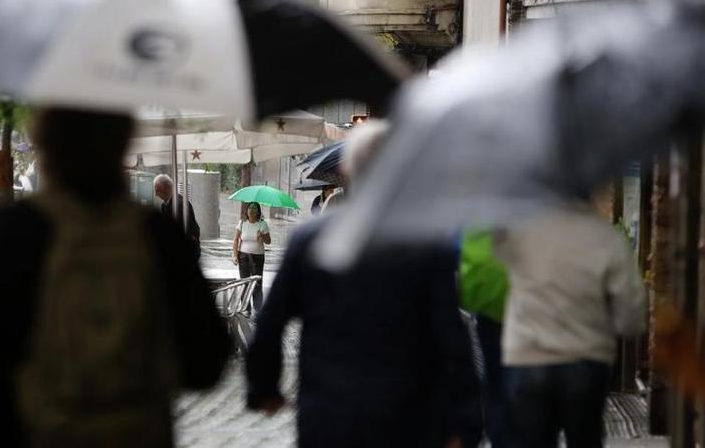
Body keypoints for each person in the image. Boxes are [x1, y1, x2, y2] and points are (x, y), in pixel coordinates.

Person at [0, 108, 231, 448]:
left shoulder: (9, 232)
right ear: (124, 141)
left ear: (44, 143)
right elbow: (206, 363)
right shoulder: (157, 235)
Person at [246, 121, 482, 448]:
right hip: (407, 416)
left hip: (328, 413)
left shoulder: (309, 239)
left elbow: (270, 322)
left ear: (346, 168)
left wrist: (264, 389)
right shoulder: (427, 243)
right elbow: (450, 334)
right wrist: (466, 421)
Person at [493, 200, 647, 448]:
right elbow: (631, 317)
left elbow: (496, 254)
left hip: (528, 358)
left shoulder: (520, 232)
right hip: (585, 359)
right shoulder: (606, 238)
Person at [458, 230, 510, 448]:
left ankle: (497, 436)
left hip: (489, 307)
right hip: (527, 308)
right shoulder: (531, 210)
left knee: (494, 377)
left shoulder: (479, 215)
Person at [232, 201, 270, 311]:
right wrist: (234, 255)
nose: (251, 210)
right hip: (243, 256)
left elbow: (269, 241)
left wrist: (262, 236)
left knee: (257, 284)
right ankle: (245, 309)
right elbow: (235, 240)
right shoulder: (242, 223)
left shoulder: (262, 224)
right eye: (250, 208)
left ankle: (258, 310)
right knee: (244, 282)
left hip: (258, 257)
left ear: (258, 212)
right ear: (246, 211)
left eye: (254, 208)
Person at [153, 174, 201, 260]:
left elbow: (184, 229)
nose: (156, 194)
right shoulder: (165, 205)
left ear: (167, 188)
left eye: (158, 190)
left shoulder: (180, 204)